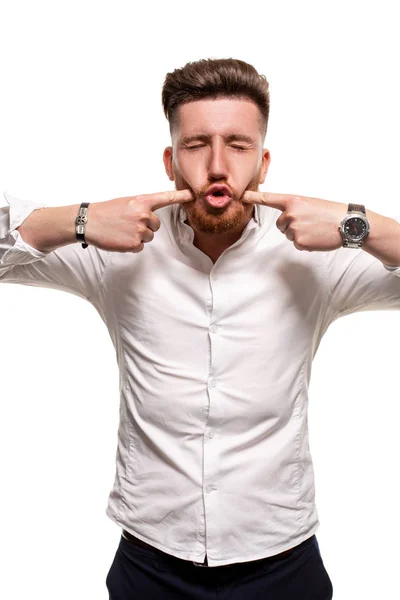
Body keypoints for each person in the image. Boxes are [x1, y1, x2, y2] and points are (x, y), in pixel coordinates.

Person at [1, 57, 400, 600]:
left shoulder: (317, 257)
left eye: (238, 146)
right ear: (170, 161)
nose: (217, 166)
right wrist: (77, 219)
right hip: (151, 561)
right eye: (196, 145)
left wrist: (362, 225)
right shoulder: (115, 248)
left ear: (263, 162)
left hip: (281, 560)